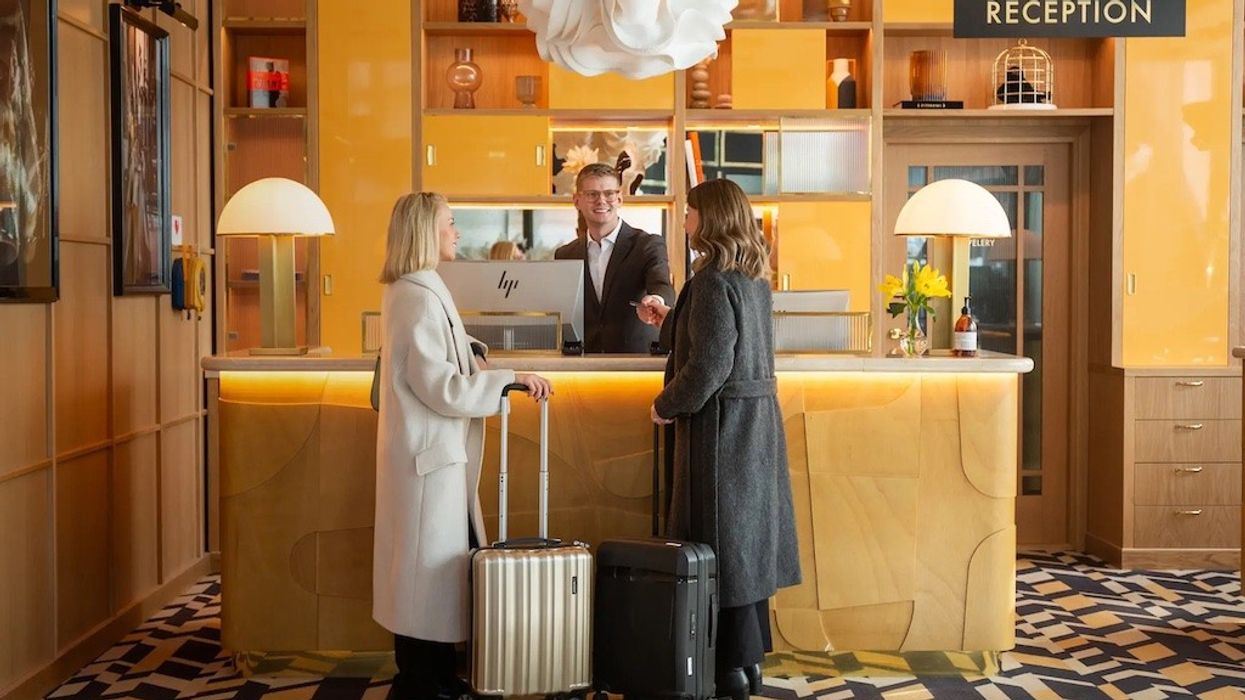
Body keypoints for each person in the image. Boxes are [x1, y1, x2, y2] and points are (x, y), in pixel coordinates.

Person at [374, 192, 553, 700]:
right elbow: (441, 388)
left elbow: (435, 355)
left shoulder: (417, 289)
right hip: (428, 461)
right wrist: (508, 378)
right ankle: (422, 686)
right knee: (424, 583)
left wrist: (472, 352)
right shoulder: (418, 294)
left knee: (427, 580)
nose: (456, 232)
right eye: (450, 223)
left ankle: (431, 680)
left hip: (428, 460)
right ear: (426, 231)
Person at [638, 178, 800, 700]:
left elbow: (709, 364)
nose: (684, 221)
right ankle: (748, 664)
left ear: (710, 218)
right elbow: (721, 344)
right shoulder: (752, 275)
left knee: (721, 544)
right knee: (746, 547)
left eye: (689, 212)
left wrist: (666, 406)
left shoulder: (710, 280)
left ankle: (728, 670)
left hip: (721, 433)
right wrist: (671, 319)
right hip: (754, 427)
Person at [554, 162, 675, 353]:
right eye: (592, 194)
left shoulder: (647, 244)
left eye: (609, 193)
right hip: (581, 364)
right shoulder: (565, 255)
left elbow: (661, 284)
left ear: (619, 199)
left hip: (635, 363)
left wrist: (656, 300)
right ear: (577, 201)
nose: (601, 200)